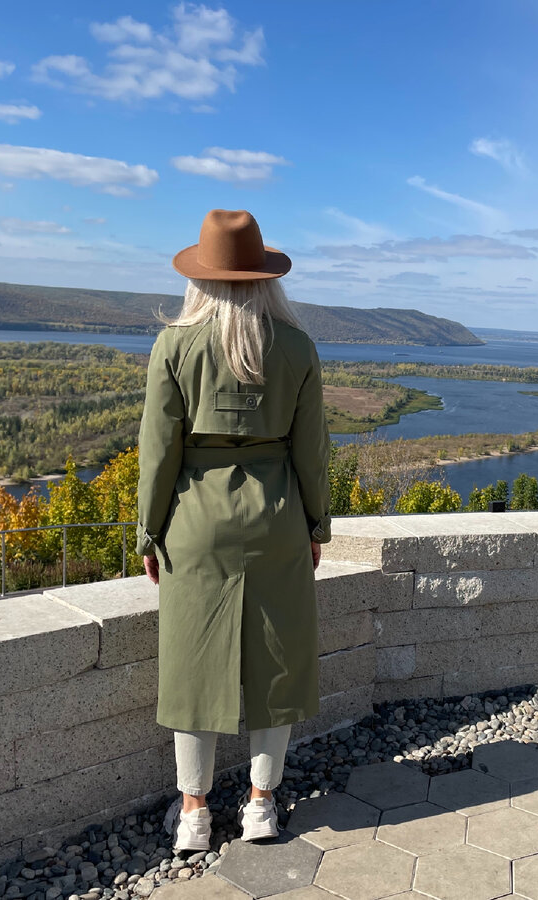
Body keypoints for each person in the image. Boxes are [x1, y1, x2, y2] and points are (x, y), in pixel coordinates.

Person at [136, 208, 330, 853]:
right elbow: (312, 453)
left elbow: (158, 452)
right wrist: (315, 526)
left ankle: (194, 813)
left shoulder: (175, 345)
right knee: (277, 662)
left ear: (202, 278)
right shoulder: (298, 347)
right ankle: (261, 806)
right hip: (277, 518)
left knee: (193, 666)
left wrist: (149, 531)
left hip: (195, 521)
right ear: (265, 278)